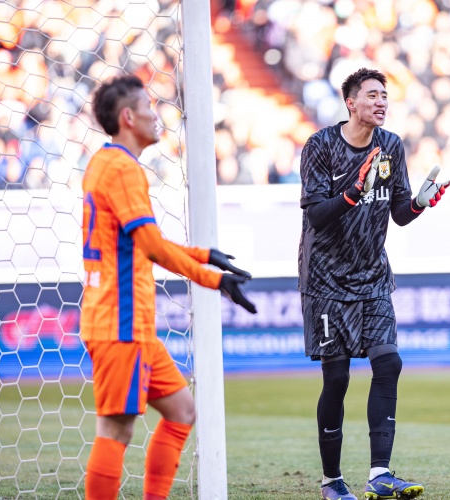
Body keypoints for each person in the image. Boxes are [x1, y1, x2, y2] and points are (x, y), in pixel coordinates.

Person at [81, 74, 257, 500]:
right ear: (128, 117)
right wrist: (213, 279)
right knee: (116, 428)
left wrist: (202, 254)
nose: (156, 114)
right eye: (148, 106)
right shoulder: (122, 168)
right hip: (120, 323)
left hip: (131, 324)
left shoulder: (108, 163)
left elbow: (145, 241)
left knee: (181, 410)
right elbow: (151, 247)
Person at [298, 67, 449, 500]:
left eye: (384, 95)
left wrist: (419, 203)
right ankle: (331, 481)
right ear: (351, 103)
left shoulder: (391, 145)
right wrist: (352, 191)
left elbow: (398, 212)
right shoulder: (321, 146)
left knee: (388, 363)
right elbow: (316, 214)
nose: (381, 102)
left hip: (373, 277)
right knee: (337, 377)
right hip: (326, 279)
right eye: (372, 95)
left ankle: (380, 474)